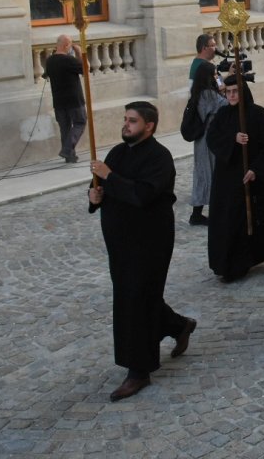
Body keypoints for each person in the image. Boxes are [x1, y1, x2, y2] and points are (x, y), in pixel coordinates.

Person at [87, 102, 194, 402]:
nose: (126, 125)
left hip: (150, 241)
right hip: (120, 242)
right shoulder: (117, 154)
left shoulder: (160, 158)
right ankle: (180, 325)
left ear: (149, 126)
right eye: (124, 120)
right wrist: (94, 195)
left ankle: (139, 371)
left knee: (137, 297)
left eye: (132, 121)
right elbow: (101, 189)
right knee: (133, 295)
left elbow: (142, 195)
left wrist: (109, 177)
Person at [206, 75, 264, 282]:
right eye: (228, 92)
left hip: (255, 176)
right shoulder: (222, 115)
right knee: (231, 220)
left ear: (243, 91)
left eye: (235, 91)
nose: (232, 95)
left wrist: (256, 169)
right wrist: (232, 139)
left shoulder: (259, 115)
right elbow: (212, 138)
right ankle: (231, 264)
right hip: (228, 178)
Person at [186, 61, 225, 225]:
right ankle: (205, 213)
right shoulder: (208, 94)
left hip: (202, 139)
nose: (217, 77)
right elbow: (226, 104)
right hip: (209, 139)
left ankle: (197, 213)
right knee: (211, 174)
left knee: (203, 174)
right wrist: (224, 87)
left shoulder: (198, 92)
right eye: (215, 74)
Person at [43, 34, 85, 163]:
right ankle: (67, 150)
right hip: (74, 100)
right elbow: (85, 69)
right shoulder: (69, 60)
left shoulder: (49, 60)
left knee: (65, 128)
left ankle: (70, 156)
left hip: (59, 101)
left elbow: (45, 75)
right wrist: (78, 53)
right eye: (70, 44)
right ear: (67, 45)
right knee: (80, 122)